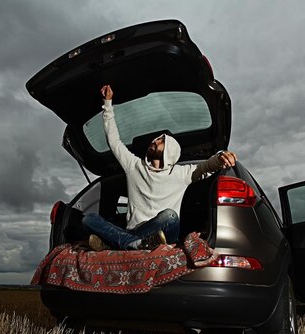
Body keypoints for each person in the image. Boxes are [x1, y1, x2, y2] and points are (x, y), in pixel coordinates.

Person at [83, 85, 237, 251]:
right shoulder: (134, 165)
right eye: (155, 140)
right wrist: (107, 104)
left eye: (160, 141)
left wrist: (221, 157)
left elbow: (206, 166)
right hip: (136, 230)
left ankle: (118, 243)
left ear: (170, 150)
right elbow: (114, 141)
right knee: (88, 219)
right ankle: (135, 244)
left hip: (164, 231)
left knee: (170, 216)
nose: (154, 141)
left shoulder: (181, 174)